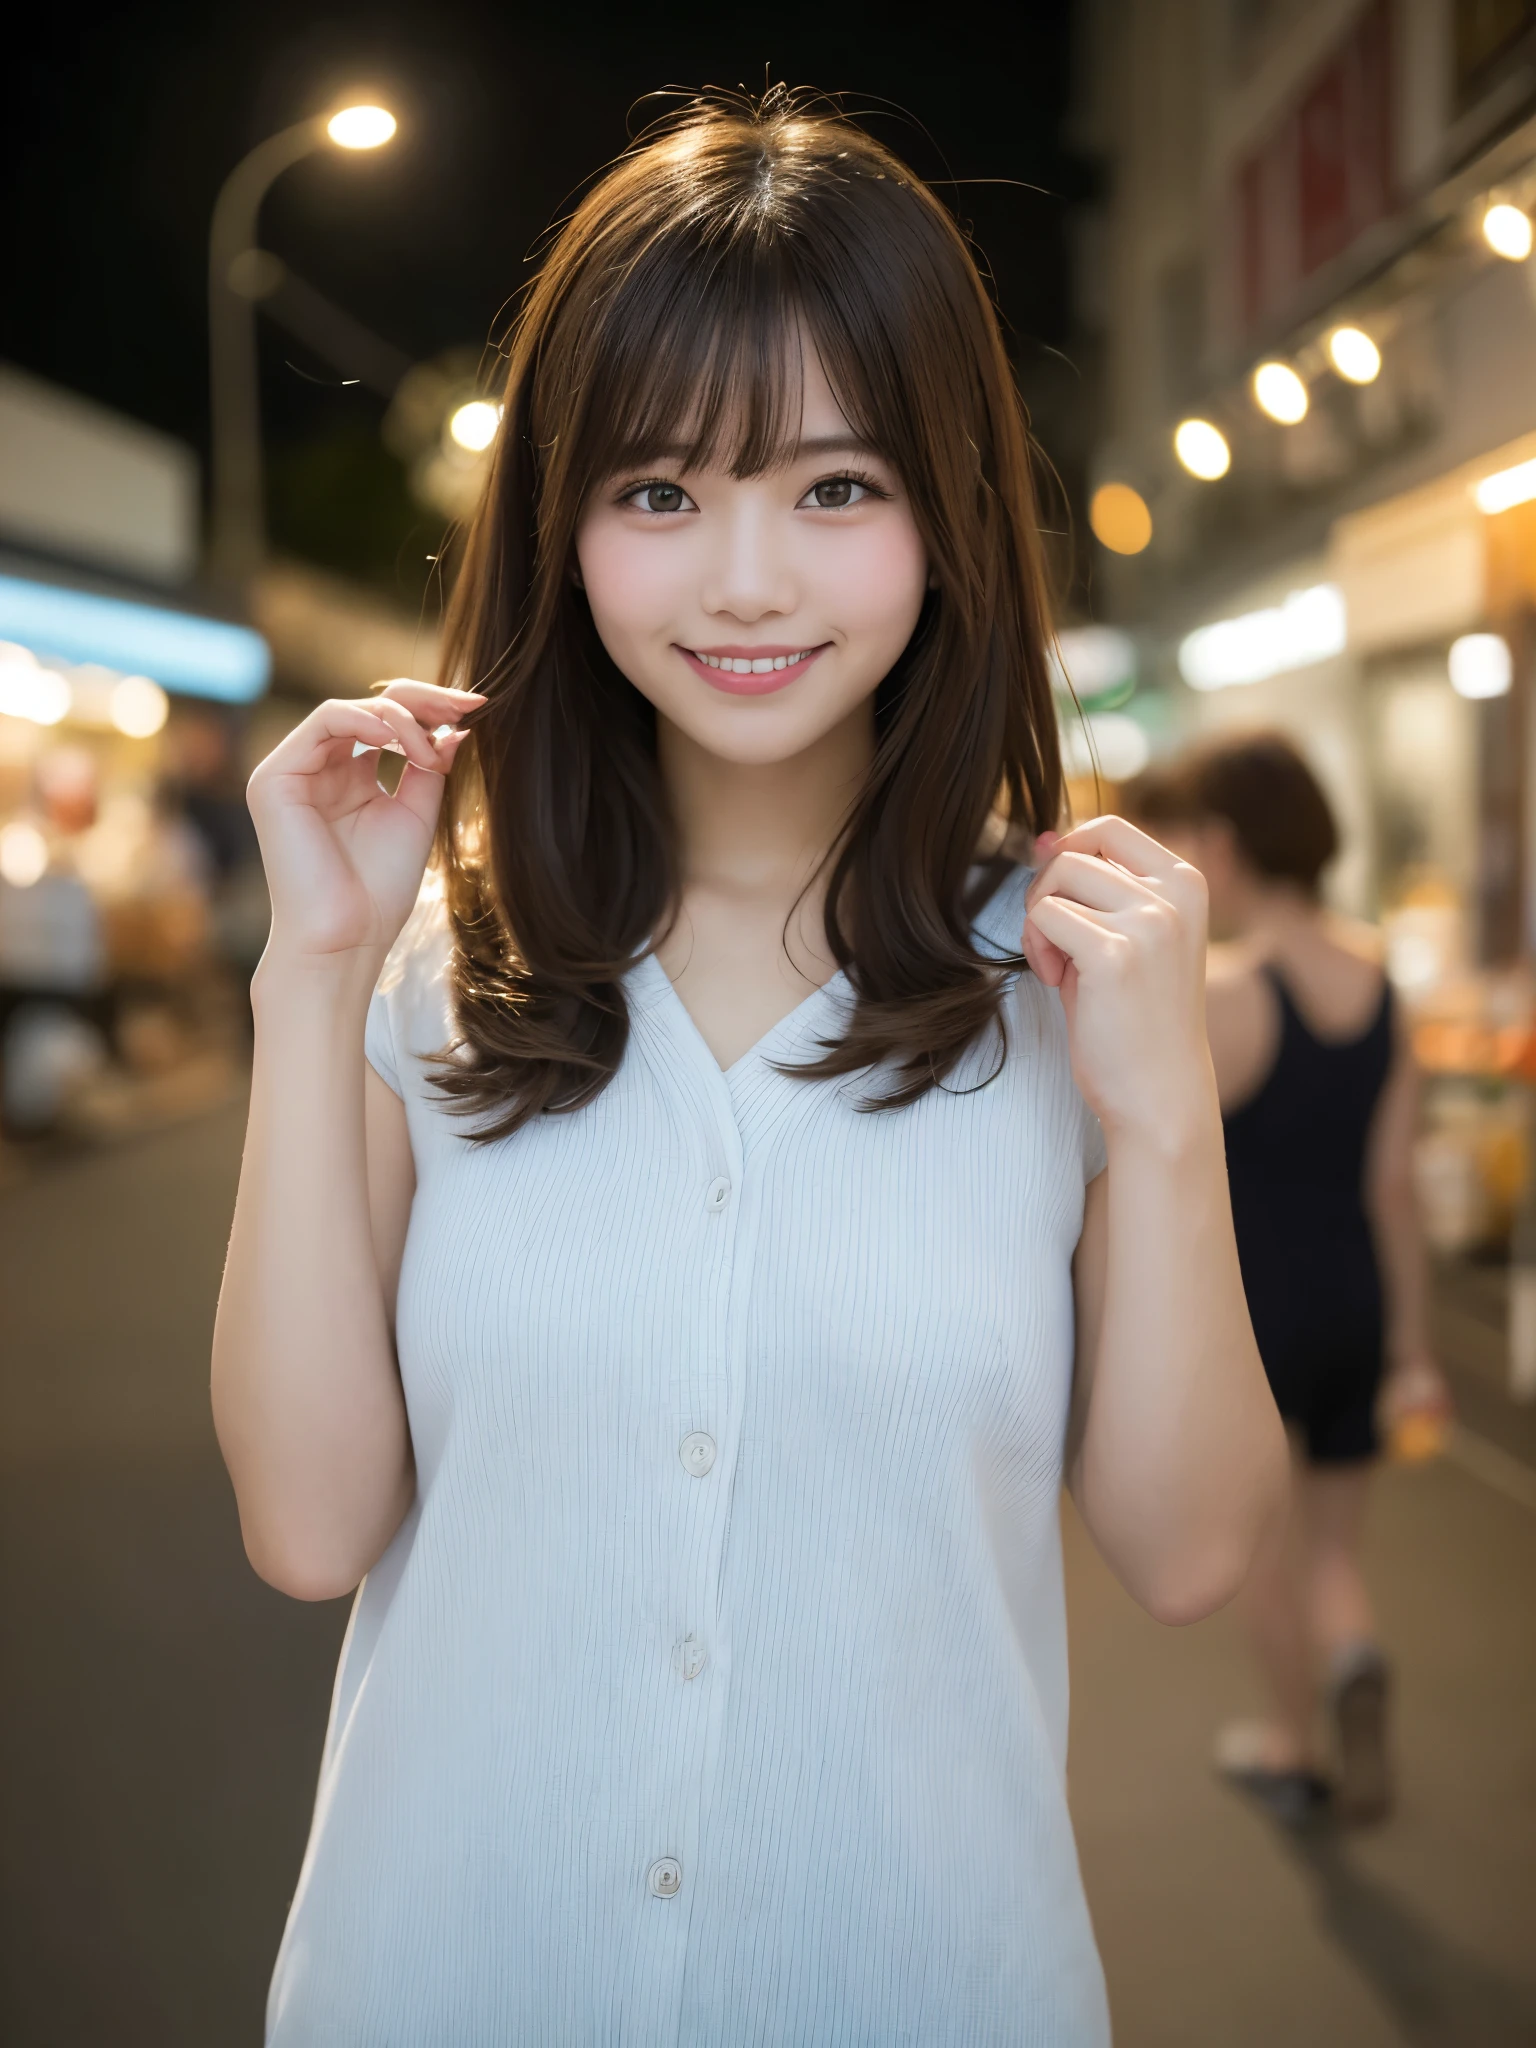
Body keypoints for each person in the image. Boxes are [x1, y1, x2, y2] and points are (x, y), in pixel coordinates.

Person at [213, 94, 1286, 2044]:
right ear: (561, 517)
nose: (745, 583)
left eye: (836, 487)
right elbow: (305, 1525)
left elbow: (1194, 1549)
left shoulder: (1068, 975)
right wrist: (313, 967)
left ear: (952, 502)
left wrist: (1165, 1120)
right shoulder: (428, 966)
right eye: (656, 495)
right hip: (437, 1978)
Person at [1127, 733, 1449, 1827]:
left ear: (1222, 840)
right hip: (1358, 1301)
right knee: (1332, 1543)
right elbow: (1395, 1181)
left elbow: (1168, 1166)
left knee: (1256, 1549)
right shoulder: (1382, 982)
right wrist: (1411, 1343)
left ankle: (1292, 1740)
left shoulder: (1231, 989)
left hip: (1258, 1314)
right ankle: (1353, 1646)